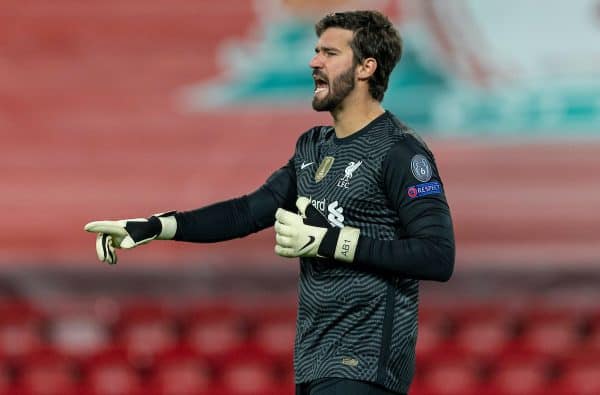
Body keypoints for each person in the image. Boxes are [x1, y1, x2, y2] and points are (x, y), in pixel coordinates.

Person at [85, 10, 455, 395]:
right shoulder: (313, 147)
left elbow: (437, 255)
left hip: (365, 367)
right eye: (316, 51)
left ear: (366, 67)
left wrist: (329, 241)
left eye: (329, 53)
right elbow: (246, 212)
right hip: (315, 365)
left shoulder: (401, 152)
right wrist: (157, 226)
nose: (314, 62)